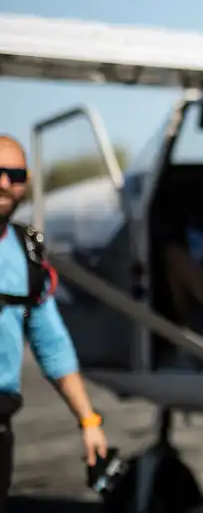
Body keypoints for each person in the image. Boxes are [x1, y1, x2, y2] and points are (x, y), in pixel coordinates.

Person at [0, 135, 109, 510]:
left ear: (25, 182)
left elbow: (52, 344)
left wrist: (89, 420)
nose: (3, 183)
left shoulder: (27, 253)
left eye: (13, 175)